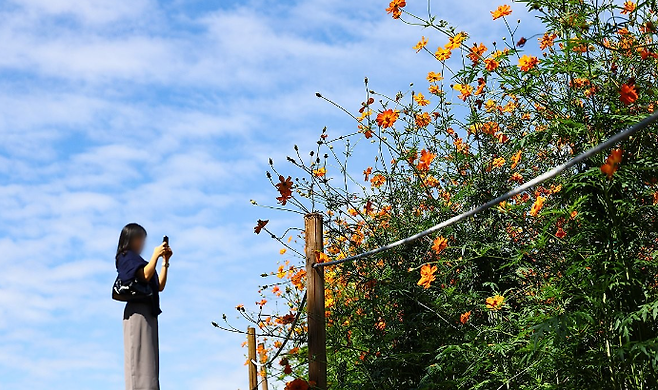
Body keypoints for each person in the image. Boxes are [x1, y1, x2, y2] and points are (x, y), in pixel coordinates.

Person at [115, 223, 173, 390]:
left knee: (149, 364)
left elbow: (159, 285)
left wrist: (165, 262)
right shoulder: (126, 257)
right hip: (137, 312)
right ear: (130, 239)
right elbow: (145, 276)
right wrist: (155, 256)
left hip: (149, 312)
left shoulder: (141, 261)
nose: (142, 242)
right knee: (139, 361)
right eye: (140, 238)